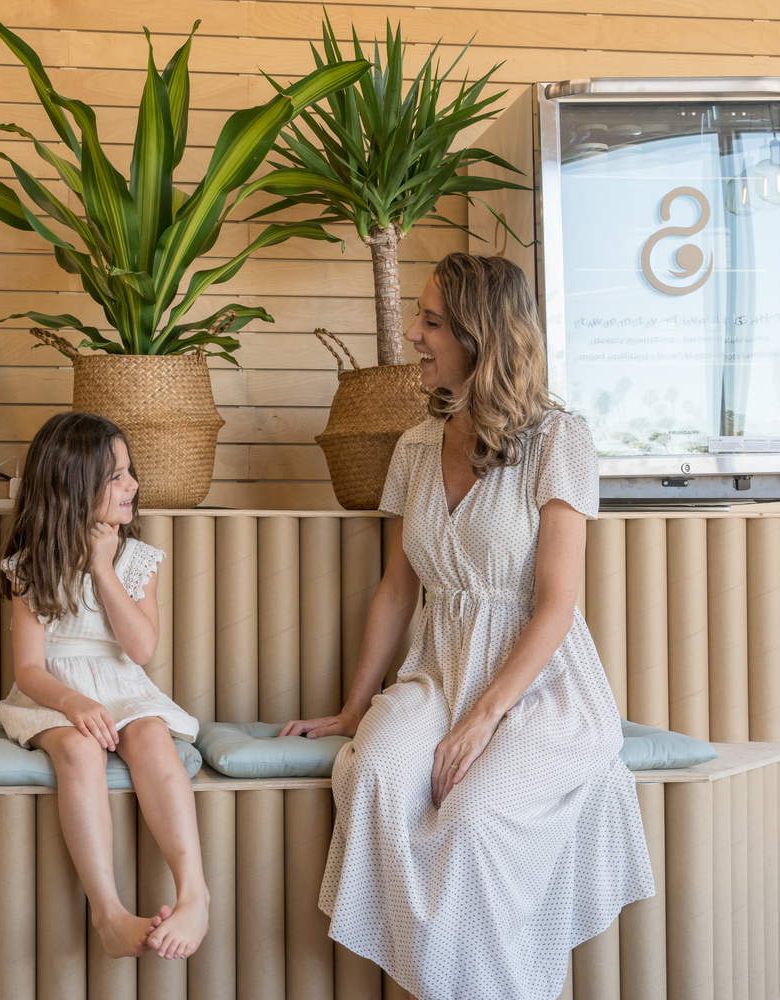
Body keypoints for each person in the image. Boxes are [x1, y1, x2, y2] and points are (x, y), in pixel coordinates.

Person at [281, 253, 654, 1000]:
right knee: (374, 772)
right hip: (438, 672)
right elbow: (397, 590)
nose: (412, 335)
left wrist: (483, 721)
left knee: (475, 819)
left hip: (538, 688)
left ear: (480, 336)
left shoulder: (559, 441)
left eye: (431, 322)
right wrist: (354, 707)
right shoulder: (416, 445)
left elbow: (555, 605)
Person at [0, 411, 210, 961]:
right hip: (54, 693)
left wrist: (103, 567)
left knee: (151, 736)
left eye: (129, 471)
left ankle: (194, 892)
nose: (132, 484)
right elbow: (28, 669)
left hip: (121, 683)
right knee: (79, 748)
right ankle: (108, 912)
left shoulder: (138, 561)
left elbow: (141, 650)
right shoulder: (31, 566)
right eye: (116, 476)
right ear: (71, 486)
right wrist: (72, 703)